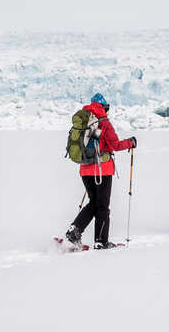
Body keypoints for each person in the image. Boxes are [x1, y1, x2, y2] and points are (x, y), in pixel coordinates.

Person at [63, 93, 136, 250]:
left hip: (85, 169)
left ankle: (74, 231)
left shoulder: (84, 120)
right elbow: (115, 145)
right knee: (102, 206)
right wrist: (130, 142)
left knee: (94, 203)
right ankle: (101, 241)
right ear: (103, 107)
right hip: (102, 170)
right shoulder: (103, 122)